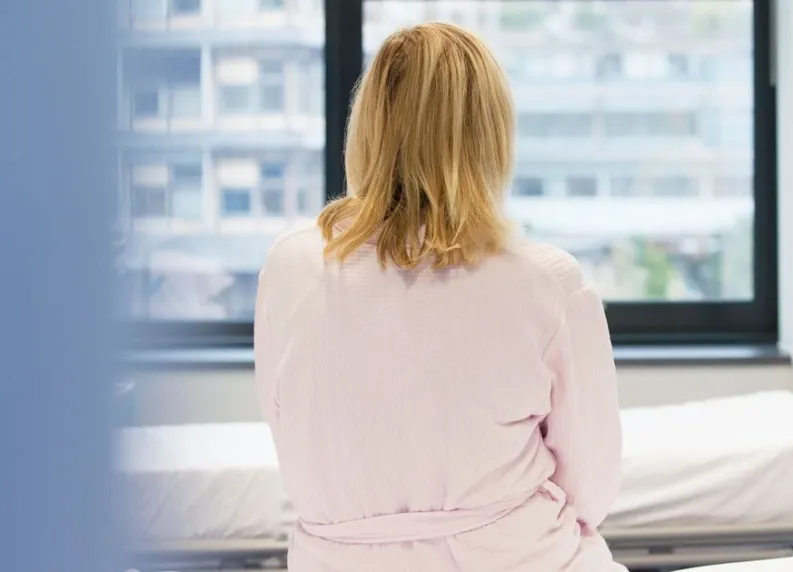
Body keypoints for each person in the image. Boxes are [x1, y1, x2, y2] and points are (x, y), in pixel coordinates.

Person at [254, 22, 625, 572]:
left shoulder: (290, 267)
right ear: (490, 136)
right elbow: (591, 480)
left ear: (368, 127)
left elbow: (290, 428)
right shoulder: (547, 283)